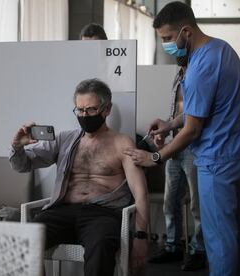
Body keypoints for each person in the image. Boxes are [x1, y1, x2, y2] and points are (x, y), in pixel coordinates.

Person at [123, 2, 240, 276]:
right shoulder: (221, 50)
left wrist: (156, 157)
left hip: (217, 160)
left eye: (167, 39)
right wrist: (170, 122)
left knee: (218, 238)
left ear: (186, 31)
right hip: (237, 154)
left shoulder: (199, 68)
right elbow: (205, 108)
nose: (165, 46)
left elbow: (193, 130)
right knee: (229, 232)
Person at [9, 78, 149, 276]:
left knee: (101, 246)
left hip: (103, 214)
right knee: (25, 240)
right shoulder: (65, 139)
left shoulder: (122, 143)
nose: (84, 115)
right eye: (79, 110)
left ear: (106, 109)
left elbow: (140, 193)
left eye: (91, 110)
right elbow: (23, 165)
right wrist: (17, 146)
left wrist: (141, 237)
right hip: (63, 210)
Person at [148, 55, 206, 271]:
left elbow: (194, 116)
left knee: (197, 205)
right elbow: (176, 113)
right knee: (169, 202)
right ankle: (173, 246)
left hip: (194, 146)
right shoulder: (178, 76)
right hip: (175, 146)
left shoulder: (200, 77)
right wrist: (164, 133)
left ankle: (199, 250)